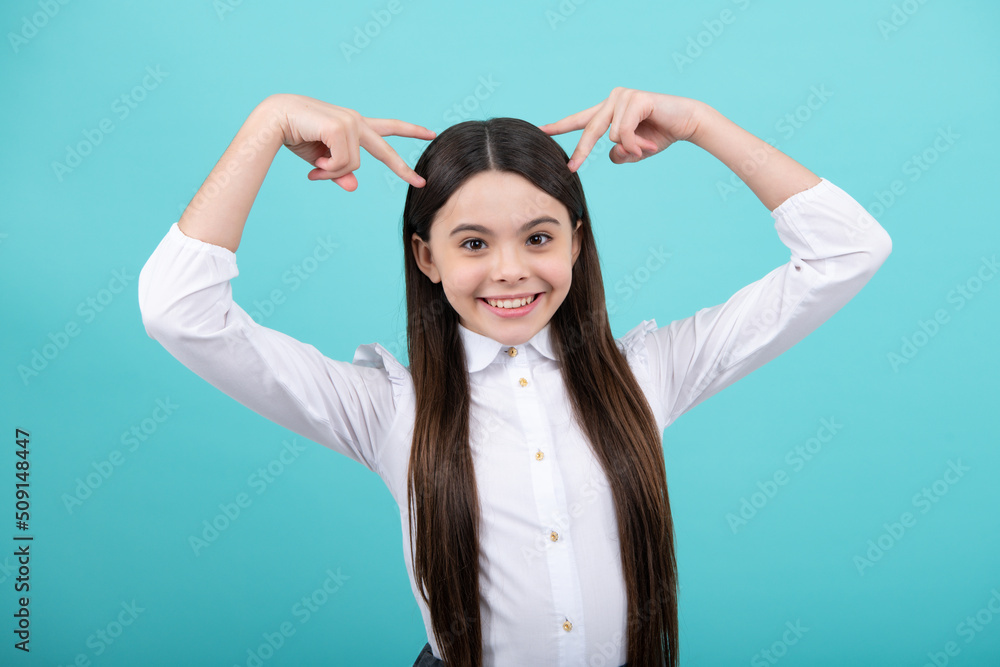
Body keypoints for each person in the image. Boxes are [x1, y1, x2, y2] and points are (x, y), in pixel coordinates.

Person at [137, 88, 892, 667]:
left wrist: (700, 123)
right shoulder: (386, 407)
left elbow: (848, 251)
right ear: (426, 258)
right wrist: (267, 124)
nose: (509, 270)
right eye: (472, 242)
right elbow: (181, 312)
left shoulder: (650, 373)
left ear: (576, 242)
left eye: (538, 237)